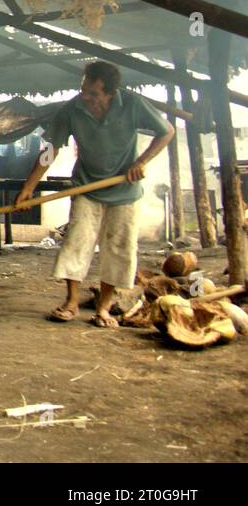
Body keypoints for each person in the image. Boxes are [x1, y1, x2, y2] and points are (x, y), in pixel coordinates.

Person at [15, 61, 174, 326]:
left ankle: (103, 307)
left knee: (118, 247)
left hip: (125, 190)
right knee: (77, 241)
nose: (85, 98)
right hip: (86, 186)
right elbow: (50, 149)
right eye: (83, 90)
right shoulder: (73, 109)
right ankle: (71, 302)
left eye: (93, 94)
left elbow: (166, 131)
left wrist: (141, 162)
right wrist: (28, 188)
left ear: (110, 93)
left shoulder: (132, 104)